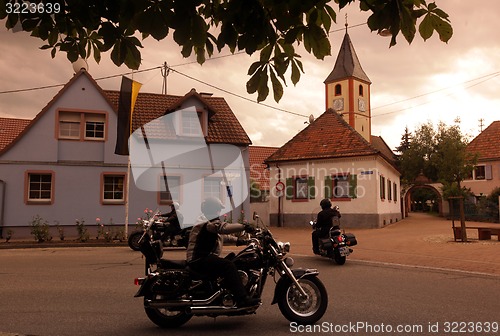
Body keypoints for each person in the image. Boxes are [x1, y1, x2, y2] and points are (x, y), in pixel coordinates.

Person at [186, 196, 260, 308]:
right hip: (199, 259)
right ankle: (242, 299)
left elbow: (222, 237)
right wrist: (244, 226)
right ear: (211, 208)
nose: (219, 211)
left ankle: (228, 291)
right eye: (217, 208)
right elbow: (223, 228)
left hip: (204, 257)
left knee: (234, 259)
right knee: (228, 266)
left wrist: (241, 241)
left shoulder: (210, 222)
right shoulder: (206, 222)